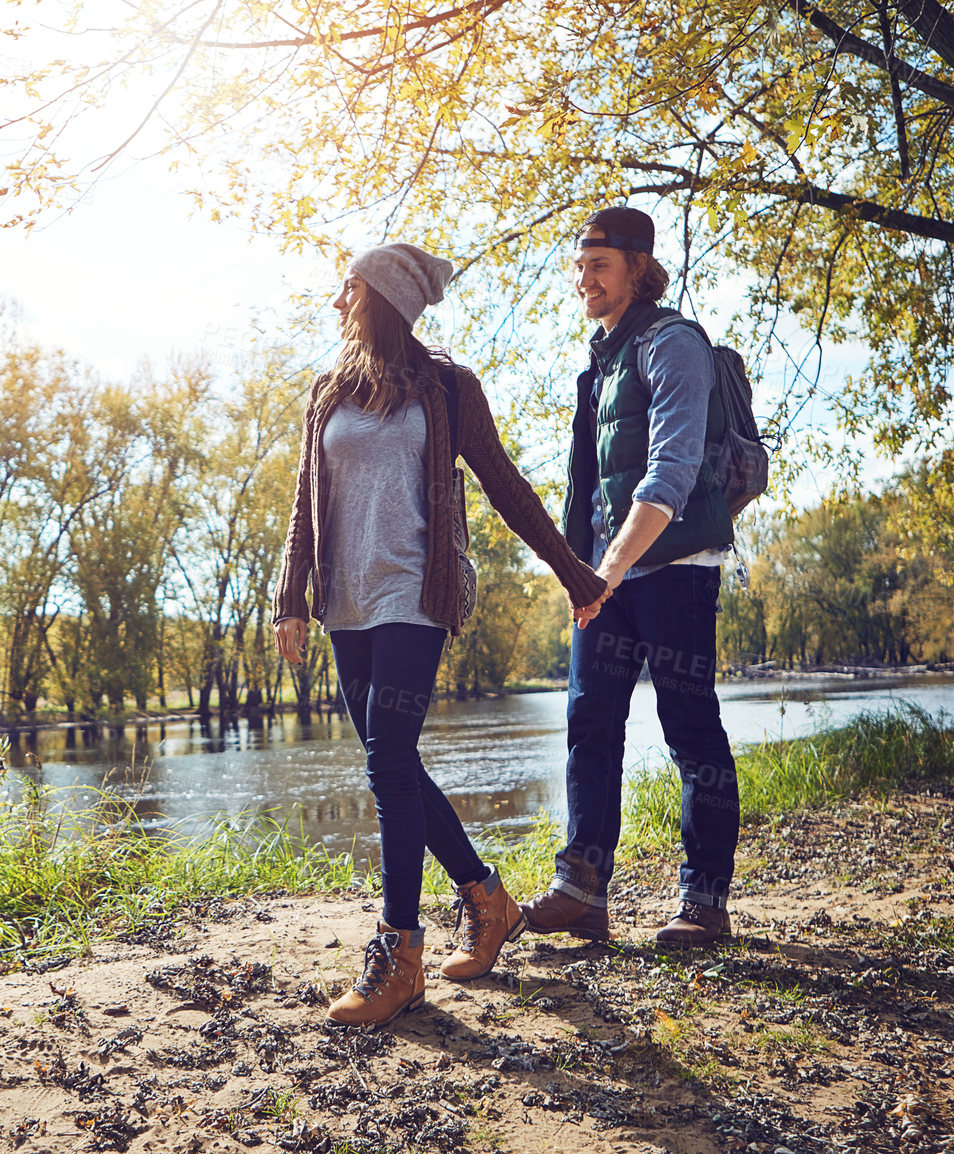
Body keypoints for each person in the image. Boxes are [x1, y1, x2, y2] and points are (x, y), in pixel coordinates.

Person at [272, 243, 609, 1027]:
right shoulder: (327, 393)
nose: (336, 303)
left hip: (417, 597)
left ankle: (399, 956)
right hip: (346, 605)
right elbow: (302, 507)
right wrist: (292, 599)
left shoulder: (450, 390)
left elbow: (506, 487)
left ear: (380, 298)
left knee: (388, 759)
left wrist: (575, 573)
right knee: (393, 766)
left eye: (347, 289)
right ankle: (489, 901)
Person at [518, 206, 742, 948]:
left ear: (639, 269)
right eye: (579, 266)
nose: (584, 279)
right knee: (589, 726)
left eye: (600, 266)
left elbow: (670, 473)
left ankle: (704, 902)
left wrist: (605, 572)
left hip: (673, 569)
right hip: (606, 578)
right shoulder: (601, 362)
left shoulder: (674, 344)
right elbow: (593, 485)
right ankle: (582, 891)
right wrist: (581, 572)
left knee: (689, 730)